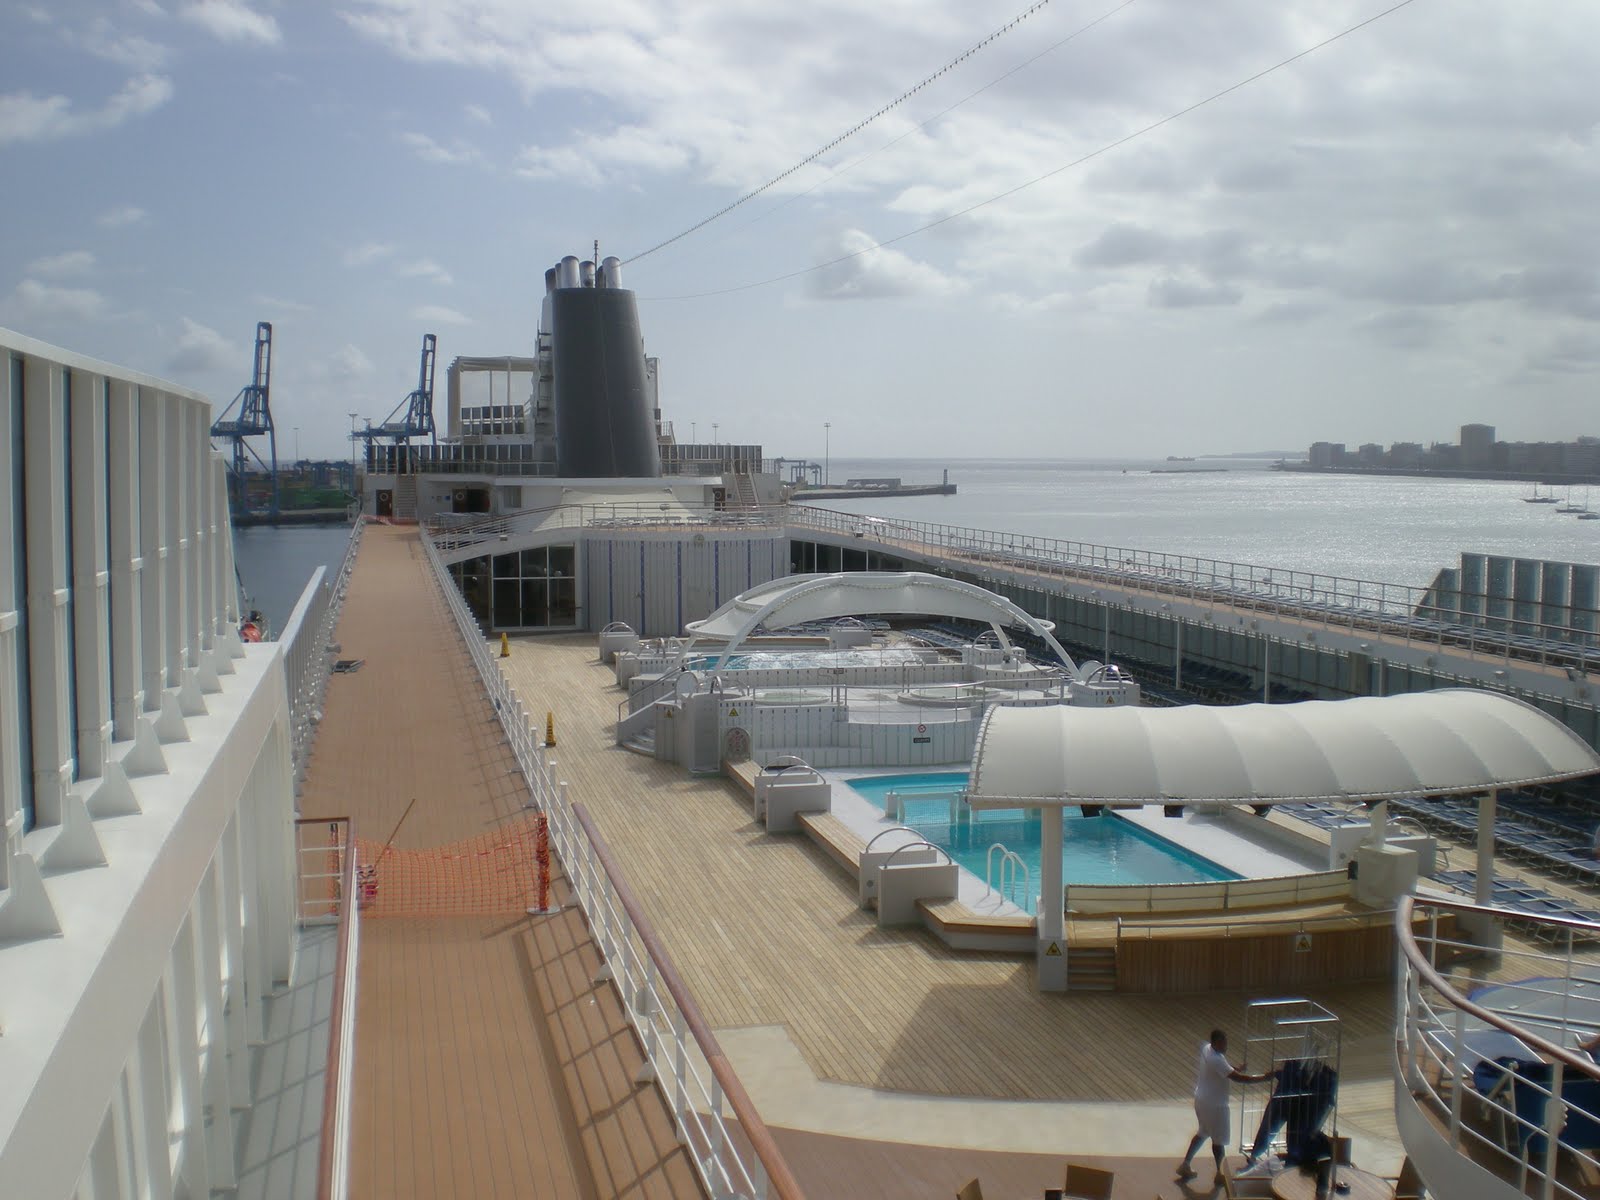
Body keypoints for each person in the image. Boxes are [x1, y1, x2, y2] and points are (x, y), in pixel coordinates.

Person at [1177, 1029, 1274, 1185]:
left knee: (1203, 1132)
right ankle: (1221, 1173)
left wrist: (1235, 1068)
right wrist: (1264, 1078)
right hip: (1215, 1105)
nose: (1226, 1046)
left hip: (1202, 1100)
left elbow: (1224, 1068)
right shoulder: (1216, 1059)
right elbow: (1239, 1079)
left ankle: (1186, 1164)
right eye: (1224, 1043)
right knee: (1218, 1141)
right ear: (1216, 1043)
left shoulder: (1207, 1049)